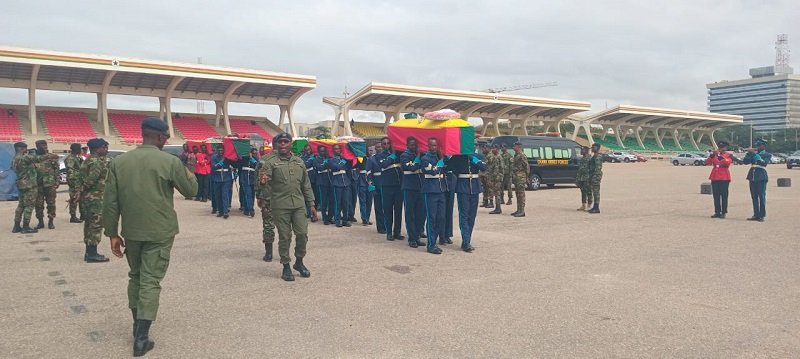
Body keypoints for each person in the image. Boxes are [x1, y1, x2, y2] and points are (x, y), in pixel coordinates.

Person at [103, 117, 197, 357]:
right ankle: (141, 338)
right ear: (157, 136)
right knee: (150, 280)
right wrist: (191, 168)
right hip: (159, 231)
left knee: (135, 276)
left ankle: (137, 327)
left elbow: (110, 202)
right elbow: (191, 190)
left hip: (132, 231)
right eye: (165, 137)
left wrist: (112, 233)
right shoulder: (170, 161)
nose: (166, 141)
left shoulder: (119, 162)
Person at [261, 133, 316, 281]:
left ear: (291, 144)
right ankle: (286, 266)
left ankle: (299, 262)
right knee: (285, 237)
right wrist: (263, 181)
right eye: (281, 142)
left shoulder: (299, 162)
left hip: (298, 205)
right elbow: (264, 181)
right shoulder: (270, 163)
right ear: (277, 145)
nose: (283, 144)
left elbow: (306, 184)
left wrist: (311, 204)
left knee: (302, 234)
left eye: (286, 142)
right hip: (280, 205)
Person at [80, 138, 111, 263]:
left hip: (89, 198)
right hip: (96, 198)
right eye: (104, 147)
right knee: (96, 225)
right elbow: (91, 180)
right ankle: (92, 254)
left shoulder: (88, 160)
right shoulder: (97, 162)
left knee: (89, 224)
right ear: (97, 149)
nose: (106, 150)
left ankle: (89, 252)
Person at [11, 142, 50, 234]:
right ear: (20, 148)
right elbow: (38, 158)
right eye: (25, 148)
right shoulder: (24, 157)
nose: (26, 150)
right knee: (29, 205)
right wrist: (49, 156)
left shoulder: (14, 159)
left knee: (21, 205)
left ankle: (16, 226)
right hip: (29, 185)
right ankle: (26, 226)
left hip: (21, 184)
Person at [454, 152, 487, 252]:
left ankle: (466, 240)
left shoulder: (479, 156)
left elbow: (484, 168)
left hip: (475, 188)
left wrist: (473, 159)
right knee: (464, 215)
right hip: (463, 188)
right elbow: (453, 169)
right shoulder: (459, 156)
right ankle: (466, 241)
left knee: (471, 216)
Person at [420, 138, 447, 254]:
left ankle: (434, 242)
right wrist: (441, 161)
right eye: (432, 146)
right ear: (428, 146)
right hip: (430, 190)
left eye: (435, 145)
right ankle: (431, 245)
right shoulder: (425, 158)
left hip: (441, 190)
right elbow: (433, 171)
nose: (434, 148)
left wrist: (443, 158)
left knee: (440, 218)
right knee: (432, 218)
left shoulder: (438, 156)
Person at [376, 137, 404, 241]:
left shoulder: (398, 154)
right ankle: (389, 232)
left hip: (398, 185)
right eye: (384, 143)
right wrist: (392, 155)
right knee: (388, 210)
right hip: (387, 186)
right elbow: (383, 164)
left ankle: (397, 232)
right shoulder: (379, 156)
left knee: (398, 210)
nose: (386, 145)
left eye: (388, 143)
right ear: (382, 145)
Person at [399, 137, 425, 248]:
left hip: (420, 187)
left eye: (415, 145)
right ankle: (412, 238)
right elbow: (413, 168)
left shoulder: (420, 155)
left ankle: (417, 236)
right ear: (407, 145)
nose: (414, 147)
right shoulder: (404, 156)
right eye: (412, 145)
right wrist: (419, 156)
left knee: (420, 214)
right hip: (409, 188)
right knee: (410, 214)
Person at [256, 149, 277, 262]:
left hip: (284, 198)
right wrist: (258, 194)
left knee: (285, 227)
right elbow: (258, 178)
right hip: (268, 197)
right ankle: (269, 252)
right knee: (268, 225)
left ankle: (283, 251)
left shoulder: (293, 160)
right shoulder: (264, 160)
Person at [743, 139, 771, 222]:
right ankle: (756, 214)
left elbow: (764, 163)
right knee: (754, 197)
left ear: (764, 146)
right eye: (757, 145)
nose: (758, 147)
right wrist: (748, 153)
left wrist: (754, 154)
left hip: (761, 175)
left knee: (761, 197)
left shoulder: (767, 154)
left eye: (760, 145)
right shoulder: (754, 154)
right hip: (752, 176)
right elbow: (745, 162)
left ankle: (761, 215)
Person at [34, 140, 59, 229]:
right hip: (38, 185)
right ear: (37, 146)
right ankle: (40, 222)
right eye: (41, 145)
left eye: (45, 145)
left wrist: (57, 182)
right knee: (38, 204)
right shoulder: (33, 158)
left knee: (51, 203)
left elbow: (56, 170)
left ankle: (51, 221)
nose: (44, 147)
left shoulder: (52, 157)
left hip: (50, 184)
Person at [328, 144, 353, 227]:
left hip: (345, 183)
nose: (337, 150)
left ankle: (345, 220)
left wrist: (345, 158)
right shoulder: (331, 160)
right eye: (335, 149)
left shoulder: (343, 158)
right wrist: (343, 161)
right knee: (337, 203)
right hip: (336, 183)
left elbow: (349, 166)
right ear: (333, 150)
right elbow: (337, 167)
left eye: (338, 149)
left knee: (345, 202)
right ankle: (337, 220)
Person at [706, 141, 732, 219]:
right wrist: (712, 155)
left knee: (724, 195)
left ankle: (723, 212)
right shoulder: (715, 155)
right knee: (716, 195)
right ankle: (717, 211)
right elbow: (707, 162)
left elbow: (726, 163)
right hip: (715, 176)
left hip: (724, 177)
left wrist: (719, 155)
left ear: (725, 148)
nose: (720, 149)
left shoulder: (728, 155)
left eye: (722, 148)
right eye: (720, 148)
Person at [210, 145, 234, 219]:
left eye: (222, 150)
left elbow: (233, 164)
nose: (221, 152)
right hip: (217, 178)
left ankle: (225, 211)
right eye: (219, 150)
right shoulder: (213, 157)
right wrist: (221, 162)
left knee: (225, 194)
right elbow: (214, 167)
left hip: (226, 178)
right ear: (217, 150)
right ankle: (220, 211)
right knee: (218, 195)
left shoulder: (227, 157)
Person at [366, 147, 386, 233]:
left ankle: (386, 226)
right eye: (378, 147)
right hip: (377, 185)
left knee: (386, 208)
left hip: (386, 185)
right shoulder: (371, 159)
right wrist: (371, 188)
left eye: (380, 146)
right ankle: (380, 227)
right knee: (378, 208)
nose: (380, 148)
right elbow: (368, 175)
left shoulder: (386, 158)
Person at [65, 143, 85, 223]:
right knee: (74, 199)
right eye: (80, 148)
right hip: (74, 182)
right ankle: (73, 217)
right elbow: (71, 172)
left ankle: (82, 215)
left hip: (78, 181)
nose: (81, 150)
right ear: (77, 149)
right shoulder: (70, 159)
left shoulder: (75, 158)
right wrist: (75, 183)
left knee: (81, 199)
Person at [313, 146, 333, 225]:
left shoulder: (328, 158)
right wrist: (325, 162)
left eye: (324, 151)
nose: (323, 153)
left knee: (331, 201)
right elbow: (319, 168)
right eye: (321, 151)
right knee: (323, 201)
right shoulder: (316, 160)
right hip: (321, 182)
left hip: (329, 182)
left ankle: (330, 217)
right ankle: (325, 218)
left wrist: (328, 160)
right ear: (318, 151)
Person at [510, 142, 530, 217]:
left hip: (521, 178)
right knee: (518, 194)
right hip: (516, 178)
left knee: (521, 195)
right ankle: (519, 210)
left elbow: (527, 167)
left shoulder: (522, 155)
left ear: (519, 147)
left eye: (515, 146)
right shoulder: (516, 155)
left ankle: (522, 211)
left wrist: (526, 177)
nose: (513, 147)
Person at [237, 148, 258, 217]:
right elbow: (239, 167)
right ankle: (250, 209)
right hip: (245, 178)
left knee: (252, 194)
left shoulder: (255, 158)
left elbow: (257, 166)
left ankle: (248, 208)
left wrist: (252, 159)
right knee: (247, 193)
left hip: (252, 178)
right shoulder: (243, 158)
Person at [355, 153, 373, 226]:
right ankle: (364, 219)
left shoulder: (372, 158)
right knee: (363, 201)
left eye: (371, 150)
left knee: (369, 202)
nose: (370, 151)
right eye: (369, 150)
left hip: (370, 182)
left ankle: (367, 218)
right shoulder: (360, 158)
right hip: (362, 182)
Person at [487, 145, 504, 214]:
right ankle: (497, 208)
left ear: (497, 149)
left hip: (497, 178)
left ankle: (498, 209)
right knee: (496, 193)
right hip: (496, 177)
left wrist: (493, 178)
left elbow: (497, 169)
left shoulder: (498, 157)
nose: (492, 150)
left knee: (497, 193)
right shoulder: (495, 157)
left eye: (494, 148)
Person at [587, 143, 604, 214]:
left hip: (596, 176)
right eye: (592, 147)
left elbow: (598, 168)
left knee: (596, 192)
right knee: (594, 191)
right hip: (593, 175)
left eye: (594, 147)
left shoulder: (598, 157)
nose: (592, 148)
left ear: (598, 148)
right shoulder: (594, 156)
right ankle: (595, 206)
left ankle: (596, 208)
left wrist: (595, 177)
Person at [575, 146, 592, 211]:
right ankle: (583, 205)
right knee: (583, 192)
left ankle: (589, 205)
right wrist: (577, 179)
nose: (581, 151)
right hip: (581, 178)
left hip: (587, 178)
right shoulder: (582, 159)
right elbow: (580, 170)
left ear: (587, 150)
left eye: (583, 150)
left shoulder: (590, 159)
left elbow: (592, 169)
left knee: (589, 191)